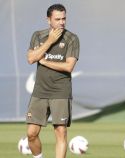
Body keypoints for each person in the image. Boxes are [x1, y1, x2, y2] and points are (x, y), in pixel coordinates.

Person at [26, 4, 79, 158]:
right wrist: (49, 41)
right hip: (40, 91)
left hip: (60, 91)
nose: (62, 22)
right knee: (31, 134)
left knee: (61, 132)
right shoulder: (38, 36)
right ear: (48, 20)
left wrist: (44, 62)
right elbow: (31, 58)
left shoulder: (72, 39)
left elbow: (69, 66)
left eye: (64, 18)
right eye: (57, 19)